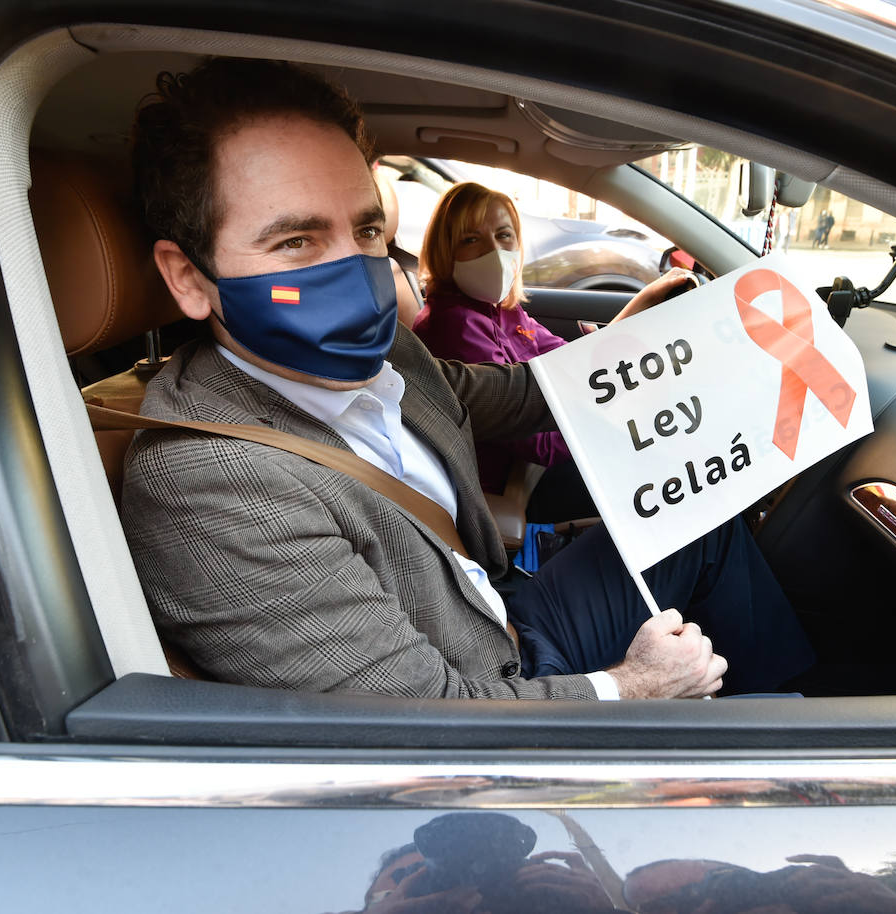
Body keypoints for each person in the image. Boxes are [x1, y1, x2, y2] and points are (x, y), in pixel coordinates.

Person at [122, 57, 813, 700]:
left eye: (365, 231)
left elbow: (517, 395)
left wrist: (693, 347)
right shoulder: (208, 480)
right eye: (296, 241)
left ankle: (797, 732)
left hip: (502, 611)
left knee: (702, 524)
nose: (357, 272)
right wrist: (631, 685)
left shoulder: (387, 350)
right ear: (189, 278)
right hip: (486, 693)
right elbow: (432, 726)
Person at [413, 181, 695, 522]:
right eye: (471, 239)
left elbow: (572, 360)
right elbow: (535, 442)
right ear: (446, 250)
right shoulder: (454, 325)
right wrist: (610, 426)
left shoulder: (503, 310)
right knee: (668, 469)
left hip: (537, 464)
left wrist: (641, 305)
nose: (494, 251)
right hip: (516, 481)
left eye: (504, 236)